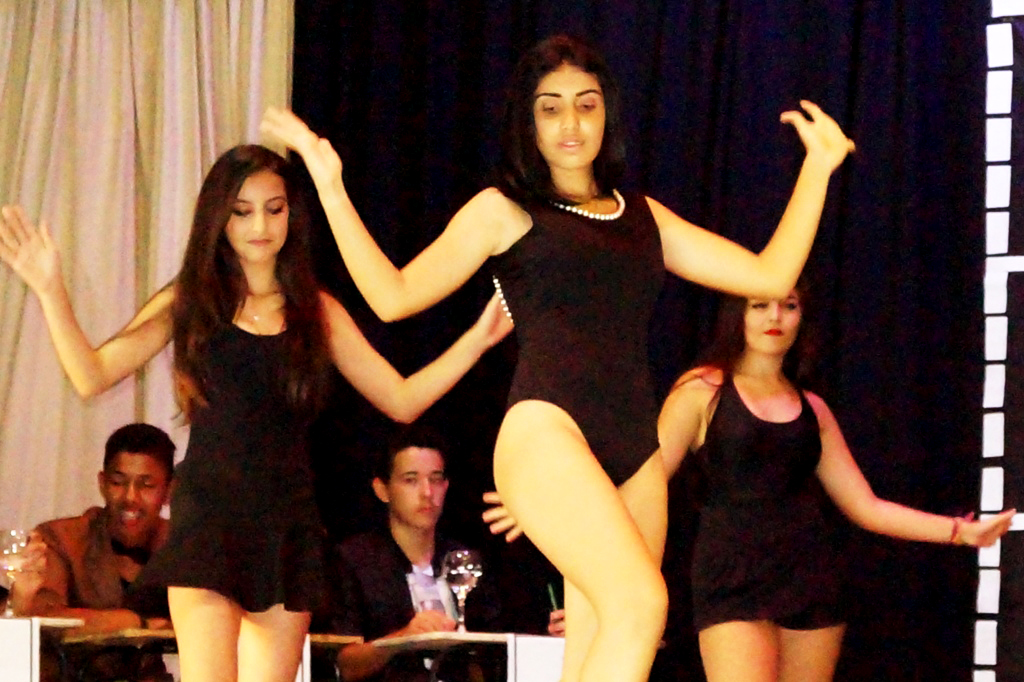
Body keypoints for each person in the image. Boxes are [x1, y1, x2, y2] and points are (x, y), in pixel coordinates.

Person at [260, 34, 854, 682]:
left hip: (634, 452)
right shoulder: (505, 211)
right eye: (551, 107)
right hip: (546, 431)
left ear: (607, 114)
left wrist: (817, 170)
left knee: (603, 640)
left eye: (585, 104)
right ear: (529, 121)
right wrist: (330, 184)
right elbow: (392, 296)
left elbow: (769, 275)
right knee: (641, 604)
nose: (570, 122)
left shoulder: (645, 217)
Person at [0, 145, 511, 682]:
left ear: (292, 213)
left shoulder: (316, 310)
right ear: (219, 218)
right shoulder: (192, 300)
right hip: (208, 521)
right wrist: (50, 289)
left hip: (285, 526)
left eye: (275, 208)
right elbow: (92, 374)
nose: (260, 226)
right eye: (242, 211)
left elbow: (401, 398)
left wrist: (476, 341)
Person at [656, 286, 1015, 682]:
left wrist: (960, 532)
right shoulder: (701, 391)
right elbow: (646, 487)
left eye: (789, 306)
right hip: (730, 577)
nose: (775, 317)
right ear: (736, 315)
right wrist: (624, 589)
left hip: (810, 577)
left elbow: (867, 507)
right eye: (760, 306)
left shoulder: (814, 409)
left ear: (802, 317)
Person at [326, 426, 501, 682]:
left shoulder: (464, 560)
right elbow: (343, 663)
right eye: (411, 480)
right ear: (382, 489)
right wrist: (403, 638)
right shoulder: (355, 561)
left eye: (435, 479)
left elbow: (495, 650)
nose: (427, 493)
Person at [9, 422, 176, 682]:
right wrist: (134, 622)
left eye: (146, 485)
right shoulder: (61, 538)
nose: (130, 497)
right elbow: (43, 616)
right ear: (102, 483)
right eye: (118, 482)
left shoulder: (181, 545)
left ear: (168, 491)